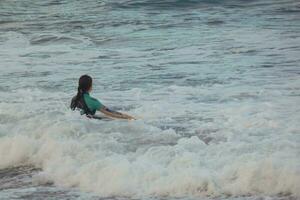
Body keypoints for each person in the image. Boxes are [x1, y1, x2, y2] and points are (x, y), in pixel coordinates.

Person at [70, 75, 135, 120]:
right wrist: (129, 117)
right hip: (90, 126)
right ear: (90, 86)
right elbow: (111, 113)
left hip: (79, 123)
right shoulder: (93, 101)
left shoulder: (74, 98)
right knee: (110, 119)